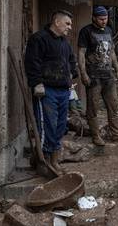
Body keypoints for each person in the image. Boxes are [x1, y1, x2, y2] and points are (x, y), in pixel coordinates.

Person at [24, 10, 78, 175]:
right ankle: (44, 162)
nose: (70, 27)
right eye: (67, 23)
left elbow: (71, 61)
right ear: (57, 22)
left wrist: (71, 75)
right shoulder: (39, 39)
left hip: (63, 90)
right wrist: (37, 83)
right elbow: (32, 62)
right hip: (46, 90)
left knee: (61, 126)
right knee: (47, 126)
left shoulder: (64, 43)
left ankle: (54, 160)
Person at [78, 6, 118, 146]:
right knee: (93, 107)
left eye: (105, 19)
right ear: (94, 18)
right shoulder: (86, 31)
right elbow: (81, 53)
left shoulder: (109, 30)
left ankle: (116, 134)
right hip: (93, 76)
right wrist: (83, 73)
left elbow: (111, 52)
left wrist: (117, 70)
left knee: (113, 106)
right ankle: (96, 136)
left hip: (108, 75)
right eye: (101, 19)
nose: (104, 21)